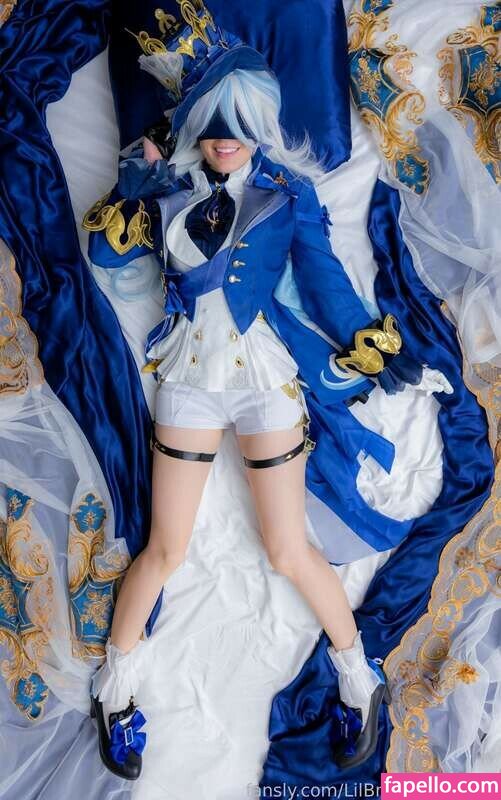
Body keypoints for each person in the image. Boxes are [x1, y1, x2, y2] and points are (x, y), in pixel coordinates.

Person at [85, 1, 420, 781]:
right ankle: (115, 691)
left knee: (287, 549)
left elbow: (324, 281)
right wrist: (128, 191)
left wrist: (363, 339)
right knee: (166, 549)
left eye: (239, 122)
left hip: (264, 376)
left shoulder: (288, 194)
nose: (225, 136)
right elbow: (105, 259)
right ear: (194, 122)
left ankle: (358, 680)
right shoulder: (162, 183)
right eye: (213, 121)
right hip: (190, 378)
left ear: (260, 122)